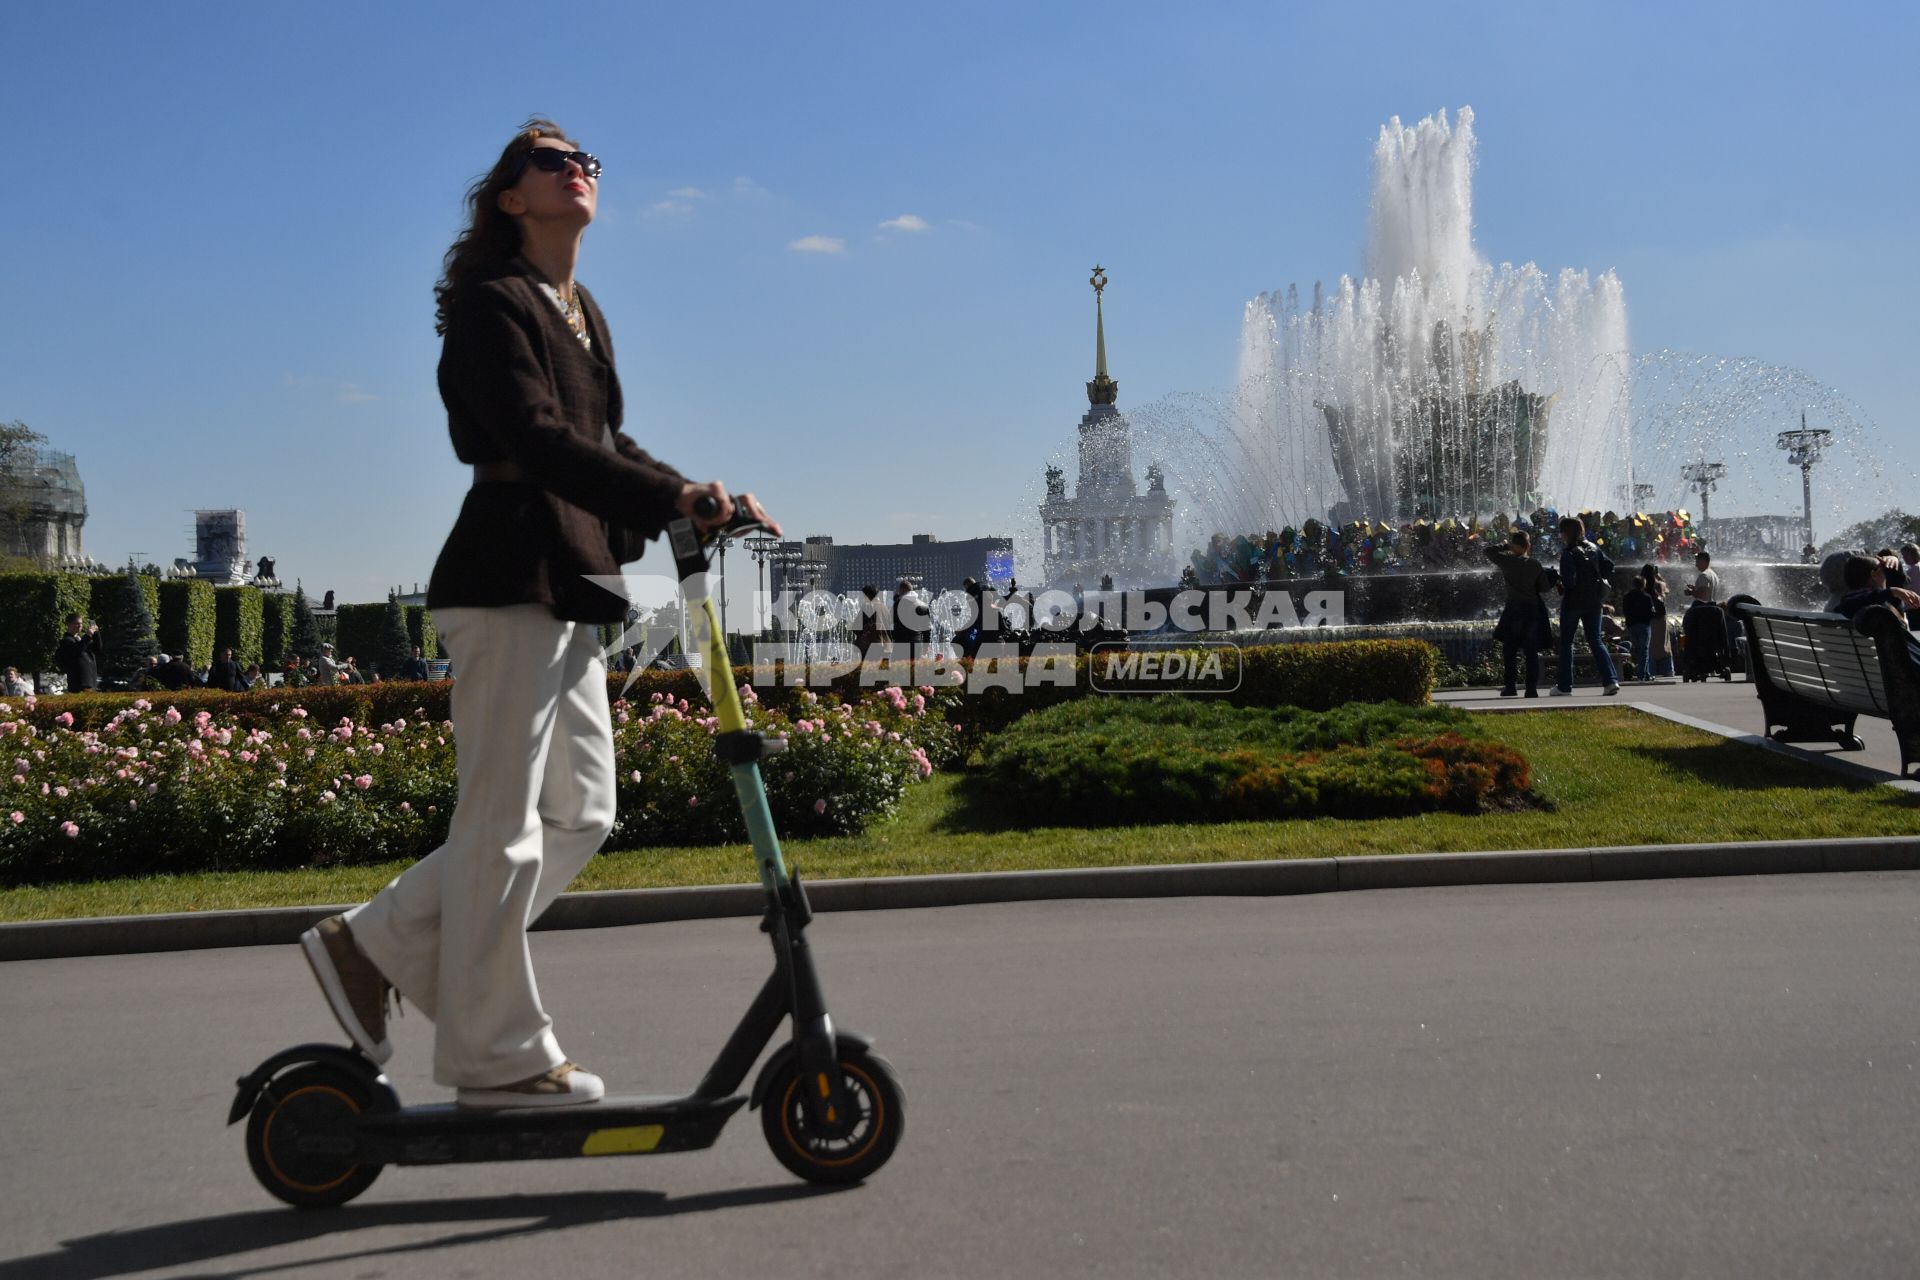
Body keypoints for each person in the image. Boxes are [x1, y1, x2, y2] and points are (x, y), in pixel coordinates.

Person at [297, 120, 777, 1111]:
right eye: (554, 161)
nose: (580, 170)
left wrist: (693, 491)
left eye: (587, 159)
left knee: (581, 811)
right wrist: (663, 500)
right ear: (512, 197)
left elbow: (603, 435)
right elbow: (537, 436)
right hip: (507, 569)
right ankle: (497, 1054)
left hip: (570, 575)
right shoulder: (489, 303)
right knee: (504, 824)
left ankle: (376, 941)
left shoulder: (579, 307)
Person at [1551, 517, 1621, 696]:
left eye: (1562, 532)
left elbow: (1569, 581)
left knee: (1567, 643)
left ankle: (1564, 686)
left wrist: (1560, 583)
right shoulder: (1594, 548)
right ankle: (1610, 681)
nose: (1560, 535)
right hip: (1594, 602)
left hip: (1573, 602)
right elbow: (1609, 567)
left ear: (1566, 533)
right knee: (1596, 641)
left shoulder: (1568, 553)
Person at [1485, 529, 1551, 697]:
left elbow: (1488, 551)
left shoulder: (1507, 561)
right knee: (1531, 651)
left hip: (1514, 609)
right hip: (1532, 610)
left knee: (1510, 650)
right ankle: (1531, 689)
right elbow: (1545, 588)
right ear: (1528, 545)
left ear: (1515, 546)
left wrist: (1506, 545)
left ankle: (1511, 687)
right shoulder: (1535, 564)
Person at [1639, 564, 1675, 678]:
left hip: (1647, 617)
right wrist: (1659, 577)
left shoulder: (1642, 585)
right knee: (1663, 645)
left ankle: (1650, 671)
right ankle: (1668, 670)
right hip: (1660, 618)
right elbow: (1667, 590)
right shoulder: (1659, 584)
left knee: (1649, 646)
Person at [54, 613, 102, 692]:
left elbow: (97, 647)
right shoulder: (66, 641)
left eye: (81, 623)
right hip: (78, 684)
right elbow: (77, 650)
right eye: (76, 624)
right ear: (69, 625)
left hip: (91, 683)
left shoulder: (81, 640)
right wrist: (88, 635)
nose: (80, 626)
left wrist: (96, 632)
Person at [1621, 575, 1654, 681]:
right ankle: (1641, 675)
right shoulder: (1647, 597)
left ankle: (1646, 673)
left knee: (1639, 650)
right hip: (1644, 625)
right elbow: (1651, 612)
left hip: (1632, 626)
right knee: (1644, 650)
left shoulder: (1627, 597)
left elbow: (1625, 611)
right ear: (1644, 585)